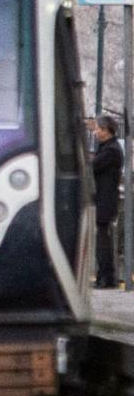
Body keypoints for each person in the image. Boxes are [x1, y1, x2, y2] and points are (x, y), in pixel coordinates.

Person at [93, 114, 123, 288]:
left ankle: (106, 277)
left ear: (105, 131)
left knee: (103, 242)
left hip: (105, 201)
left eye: (97, 128)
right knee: (102, 240)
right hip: (104, 200)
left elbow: (93, 167)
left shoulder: (110, 150)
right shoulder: (108, 148)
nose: (95, 132)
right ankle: (103, 276)